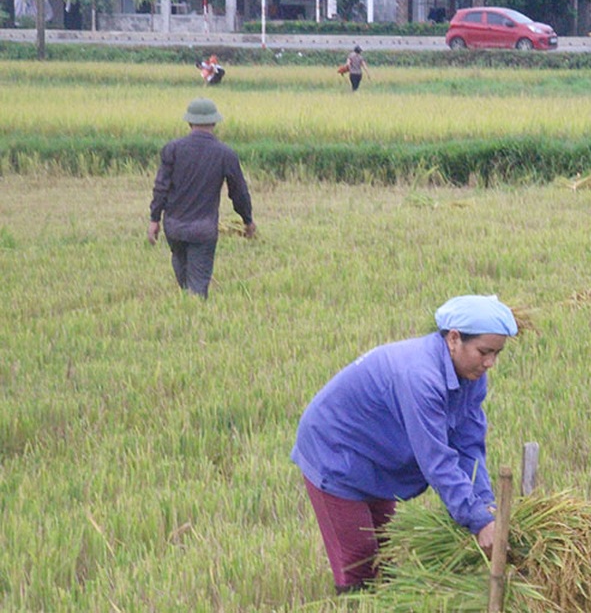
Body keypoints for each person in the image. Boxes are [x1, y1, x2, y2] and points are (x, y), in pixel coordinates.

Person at [291, 295, 518, 594]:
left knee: (384, 554)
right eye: (484, 352)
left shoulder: (472, 375)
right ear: (453, 339)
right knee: (359, 566)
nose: (490, 363)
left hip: (378, 455)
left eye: (497, 354)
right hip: (336, 451)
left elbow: (469, 445)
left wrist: (486, 506)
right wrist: (477, 521)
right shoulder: (420, 377)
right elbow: (436, 461)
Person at [148, 98, 256, 298]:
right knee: (197, 288)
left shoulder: (172, 149)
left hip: (174, 228)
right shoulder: (225, 154)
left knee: (184, 276)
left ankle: (187, 309)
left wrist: (154, 219)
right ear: (214, 123)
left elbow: (161, 188)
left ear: (189, 122)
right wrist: (247, 220)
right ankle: (194, 314)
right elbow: (239, 193)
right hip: (202, 230)